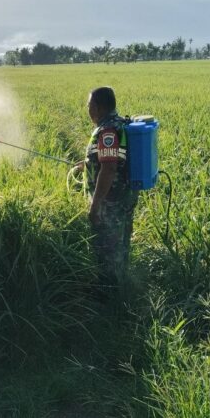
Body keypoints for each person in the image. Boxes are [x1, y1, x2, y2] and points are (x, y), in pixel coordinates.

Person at [77, 87, 138, 293]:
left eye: (89, 105)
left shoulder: (108, 131)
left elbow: (110, 168)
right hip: (124, 197)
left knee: (107, 247)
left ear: (98, 107)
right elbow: (110, 160)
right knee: (121, 243)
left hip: (111, 202)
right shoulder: (120, 123)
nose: (88, 110)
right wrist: (87, 164)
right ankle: (121, 284)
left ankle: (109, 293)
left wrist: (95, 207)